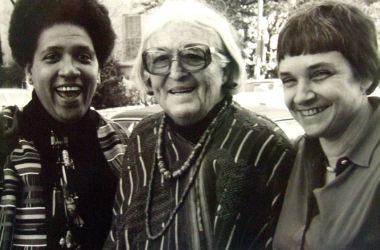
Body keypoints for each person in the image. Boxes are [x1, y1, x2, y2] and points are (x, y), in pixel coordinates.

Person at [105, 1, 295, 249]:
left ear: (226, 70)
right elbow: (118, 235)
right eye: (160, 59)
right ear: (147, 74)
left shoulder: (263, 144)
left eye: (193, 55)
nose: (176, 72)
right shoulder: (142, 137)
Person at [0, 0, 128, 249]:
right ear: (29, 71)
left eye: (83, 56)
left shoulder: (127, 147)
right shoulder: (5, 141)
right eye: (52, 57)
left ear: (98, 69)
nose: (69, 70)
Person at [273, 1, 380, 249]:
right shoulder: (295, 154)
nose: (301, 96)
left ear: (365, 74)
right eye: (288, 80)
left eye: (319, 74)